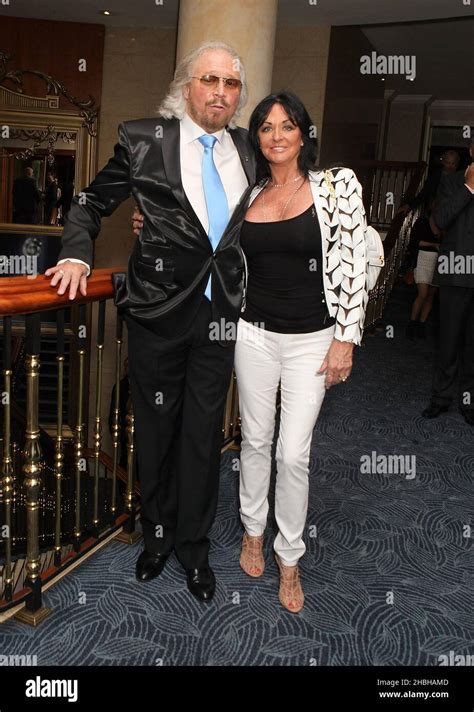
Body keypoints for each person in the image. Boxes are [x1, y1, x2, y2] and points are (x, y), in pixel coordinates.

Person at [45, 41, 256, 602]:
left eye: (230, 84)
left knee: (202, 437)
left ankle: (194, 549)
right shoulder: (144, 139)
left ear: (239, 95)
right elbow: (89, 201)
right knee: (156, 432)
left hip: (220, 317)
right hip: (157, 314)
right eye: (209, 80)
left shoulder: (249, 149)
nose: (219, 92)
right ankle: (156, 539)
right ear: (186, 87)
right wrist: (75, 252)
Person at [233, 92, 370, 613]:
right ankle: (252, 529)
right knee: (254, 439)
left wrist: (345, 339)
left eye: (287, 125)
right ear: (258, 138)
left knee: (292, 453)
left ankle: (289, 557)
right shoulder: (250, 196)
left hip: (314, 338)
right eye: (266, 127)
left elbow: (355, 263)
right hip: (254, 334)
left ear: (304, 133)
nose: (277, 135)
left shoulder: (337, 186)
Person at [422, 141, 474, 425]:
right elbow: (439, 220)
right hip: (455, 274)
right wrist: (469, 189)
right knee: (448, 341)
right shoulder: (453, 180)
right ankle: (440, 399)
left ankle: (469, 402)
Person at [405, 199, 441, 340]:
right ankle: (412, 323)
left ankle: (421, 324)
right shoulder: (421, 222)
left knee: (431, 295)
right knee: (423, 293)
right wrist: (433, 244)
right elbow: (414, 241)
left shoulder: (444, 223)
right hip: (423, 258)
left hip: (438, 260)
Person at [398, 150, 460, 216]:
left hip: (453, 213)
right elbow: (424, 193)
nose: (450, 166)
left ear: (456, 164)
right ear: (443, 162)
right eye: (448, 163)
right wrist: (409, 206)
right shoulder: (436, 176)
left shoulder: (460, 178)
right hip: (436, 212)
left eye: (453, 163)